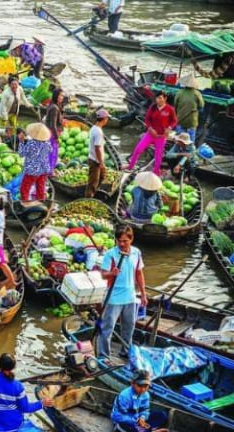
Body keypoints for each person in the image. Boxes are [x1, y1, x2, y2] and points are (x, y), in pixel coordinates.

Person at [99, 225, 146, 359]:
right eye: (119, 241)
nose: (121, 244)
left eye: (125, 241)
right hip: (113, 297)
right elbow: (103, 275)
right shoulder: (111, 254)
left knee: (129, 327)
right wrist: (112, 273)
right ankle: (104, 356)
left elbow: (139, 273)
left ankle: (125, 352)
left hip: (130, 297)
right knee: (108, 328)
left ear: (131, 240)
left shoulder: (136, 253)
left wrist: (143, 293)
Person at [0, 353, 53, 431]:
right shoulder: (17, 386)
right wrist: (41, 403)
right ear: (13, 368)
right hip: (11, 426)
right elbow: (25, 408)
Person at [127, 91, 177, 175]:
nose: (158, 100)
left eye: (160, 98)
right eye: (157, 98)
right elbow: (147, 119)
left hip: (161, 136)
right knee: (138, 149)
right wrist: (150, 128)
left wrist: (169, 128)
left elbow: (174, 121)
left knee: (158, 154)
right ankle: (130, 167)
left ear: (165, 99)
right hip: (150, 134)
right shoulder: (152, 107)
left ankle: (156, 171)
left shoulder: (170, 109)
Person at [18, 123, 52, 201]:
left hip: (33, 170)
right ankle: (41, 203)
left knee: (24, 189)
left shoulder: (31, 143)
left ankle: (25, 204)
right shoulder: (47, 143)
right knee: (41, 189)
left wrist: (21, 142)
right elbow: (50, 150)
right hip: (44, 170)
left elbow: (21, 154)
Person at [86, 109, 111, 198]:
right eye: (107, 118)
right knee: (93, 183)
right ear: (104, 119)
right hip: (95, 160)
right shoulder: (98, 132)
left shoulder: (94, 128)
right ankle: (89, 198)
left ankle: (94, 194)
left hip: (94, 158)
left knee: (101, 177)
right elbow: (97, 148)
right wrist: (101, 163)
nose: (107, 120)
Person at [174, 74, 204, 143]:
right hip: (192, 121)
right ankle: (190, 152)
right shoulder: (197, 94)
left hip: (180, 119)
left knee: (179, 140)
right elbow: (201, 106)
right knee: (191, 142)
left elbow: (175, 106)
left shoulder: (179, 93)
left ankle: (178, 150)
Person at [44, 88, 65, 172]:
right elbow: (53, 125)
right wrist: (57, 137)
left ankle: (49, 169)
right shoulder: (54, 108)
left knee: (51, 152)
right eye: (60, 95)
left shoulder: (53, 106)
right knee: (53, 153)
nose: (62, 97)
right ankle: (50, 171)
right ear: (56, 96)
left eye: (63, 96)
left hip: (50, 133)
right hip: (52, 134)